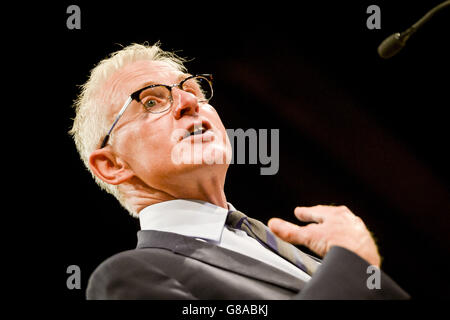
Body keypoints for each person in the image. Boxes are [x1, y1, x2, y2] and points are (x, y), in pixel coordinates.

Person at [70, 42, 410, 299]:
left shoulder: (301, 257)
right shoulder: (128, 277)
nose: (189, 103)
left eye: (192, 90)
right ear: (112, 165)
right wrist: (352, 263)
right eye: (151, 102)